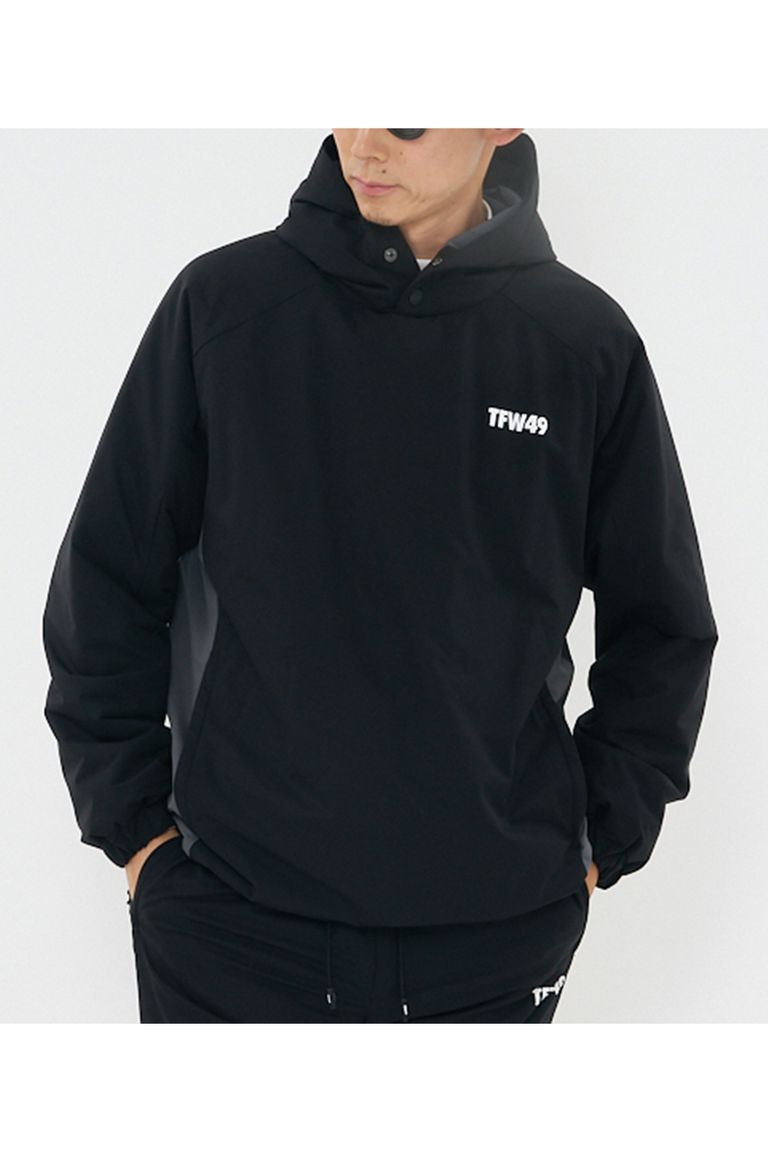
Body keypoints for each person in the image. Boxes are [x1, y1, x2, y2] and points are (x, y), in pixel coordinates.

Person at [41, 128, 719, 1023]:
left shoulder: (581, 342)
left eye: (404, 118)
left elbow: (662, 622)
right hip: (231, 922)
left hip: (492, 940)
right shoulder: (226, 307)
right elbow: (106, 579)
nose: (364, 144)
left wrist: (600, 838)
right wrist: (137, 835)